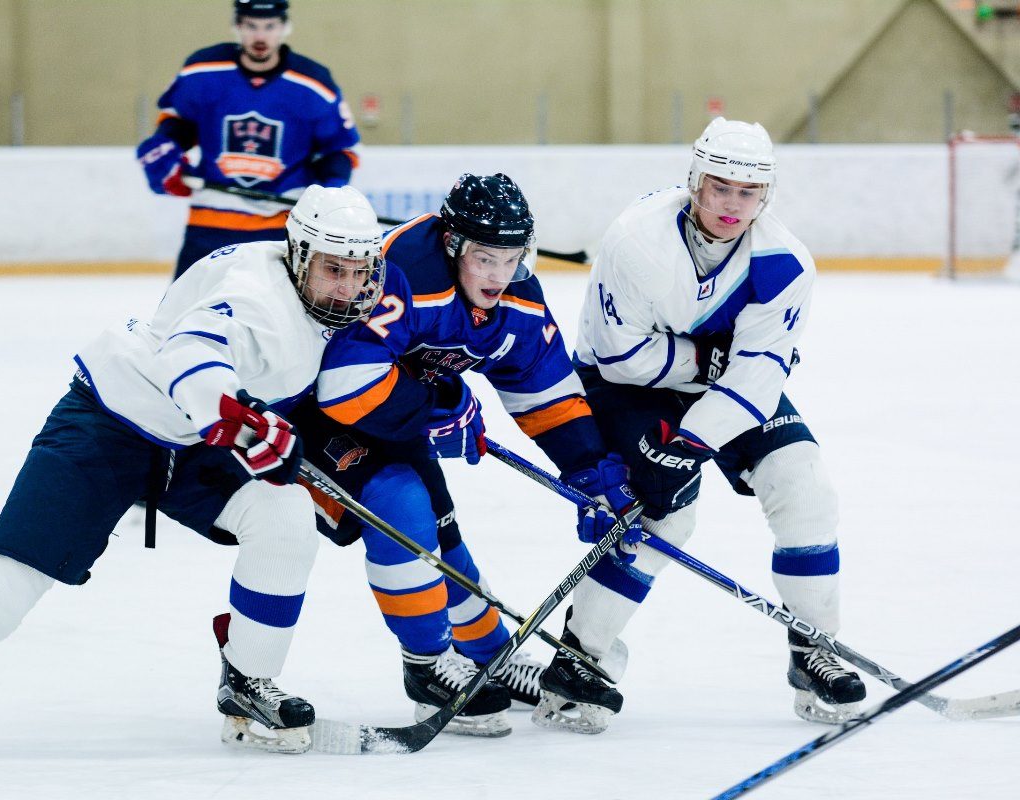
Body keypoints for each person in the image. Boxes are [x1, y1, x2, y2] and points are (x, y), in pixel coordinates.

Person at [0, 185, 386, 757]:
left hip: (192, 441)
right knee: (15, 571)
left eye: (358, 271)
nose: (347, 288)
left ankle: (249, 683)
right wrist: (248, 432)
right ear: (298, 256)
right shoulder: (255, 296)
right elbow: (190, 360)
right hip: (112, 421)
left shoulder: (314, 288)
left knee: (285, 513)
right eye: (332, 270)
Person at [295, 173, 637, 737]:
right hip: (313, 412)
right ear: (453, 244)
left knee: (444, 532)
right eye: (484, 258)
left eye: (511, 259)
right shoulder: (405, 271)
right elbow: (345, 383)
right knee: (403, 509)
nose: (499, 276)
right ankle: (427, 672)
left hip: (393, 416)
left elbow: (544, 388)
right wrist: (441, 405)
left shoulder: (516, 298)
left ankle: (490, 657)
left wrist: (591, 473)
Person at [563, 117, 867, 731]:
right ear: (695, 181)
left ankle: (815, 648)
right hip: (623, 387)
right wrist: (703, 361)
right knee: (665, 516)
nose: (732, 205)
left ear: (766, 196)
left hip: (721, 392)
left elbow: (756, 376)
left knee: (804, 488)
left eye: (748, 193)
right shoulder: (637, 238)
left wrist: (694, 440)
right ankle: (579, 662)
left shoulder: (784, 262)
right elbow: (621, 357)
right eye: (720, 187)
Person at [137, 0, 361, 279]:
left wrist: (331, 190)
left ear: (284, 28)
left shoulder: (314, 83)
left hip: (283, 227)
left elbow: (339, 148)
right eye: (251, 26)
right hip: (211, 219)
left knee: (280, 317)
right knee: (185, 314)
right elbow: (179, 122)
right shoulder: (201, 71)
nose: (260, 36)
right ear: (237, 26)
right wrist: (167, 147)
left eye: (270, 26)